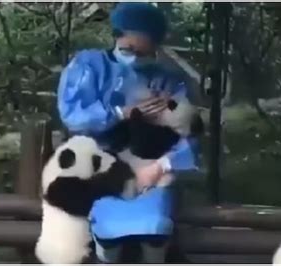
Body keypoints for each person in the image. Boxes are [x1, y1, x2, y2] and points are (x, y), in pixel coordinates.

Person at [57, 3, 200, 263]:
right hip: (97, 164)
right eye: (128, 49)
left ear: (155, 48)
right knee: (106, 215)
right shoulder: (89, 66)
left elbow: (189, 133)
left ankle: (153, 249)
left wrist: (161, 165)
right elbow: (74, 117)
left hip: (152, 167)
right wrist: (121, 113)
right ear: (116, 35)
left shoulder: (168, 81)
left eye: (144, 52)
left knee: (154, 221)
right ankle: (106, 249)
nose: (135, 58)